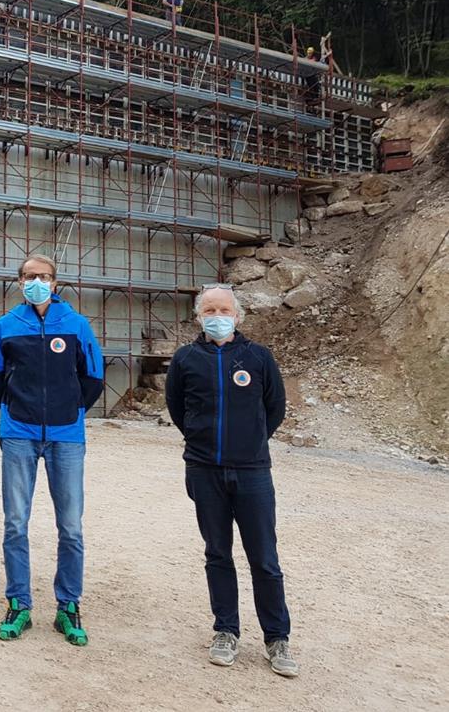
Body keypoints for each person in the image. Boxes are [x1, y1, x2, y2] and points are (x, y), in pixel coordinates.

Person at [165, 284, 299, 678]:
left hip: (252, 471)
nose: (217, 316)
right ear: (198, 316)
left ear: (237, 316)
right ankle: (226, 630)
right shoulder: (186, 359)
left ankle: (277, 637)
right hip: (204, 470)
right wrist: (200, 439)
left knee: (265, 558)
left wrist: (250, 442)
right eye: (209, 310)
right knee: (217, 554)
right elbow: (177, 407)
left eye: (224, 310)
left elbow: (275, 407)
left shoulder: (258, 357)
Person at [0, 253, 104, 644]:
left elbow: (93, 377)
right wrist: (17, 407)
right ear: (19, 282)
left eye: (44, 276)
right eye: (29, 276)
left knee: (70, 526)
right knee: (15, 522)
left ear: (55, 282)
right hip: (19, 433)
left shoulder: (76, 324)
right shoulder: (5, 326)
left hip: (66, 435)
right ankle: (19, 604)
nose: (36, 282)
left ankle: (68, 605)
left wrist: (69, 409)